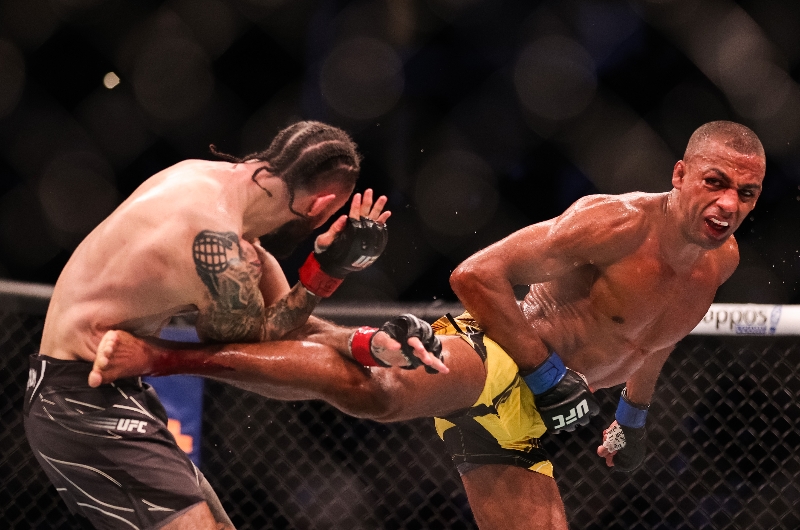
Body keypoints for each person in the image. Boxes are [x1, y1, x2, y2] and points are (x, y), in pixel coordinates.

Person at [88, 120, 766, 529]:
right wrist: (546, 371)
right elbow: (475, 275)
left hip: (527, 421)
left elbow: (656, 336)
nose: (729, 204)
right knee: (377, 393)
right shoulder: (615, 224)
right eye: (715, 182)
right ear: (681, 174)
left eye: (747, 193)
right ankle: (163, 357)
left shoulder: (722, 260)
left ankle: (330, 317)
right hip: (497, 357)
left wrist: (634, 417)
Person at [24, 121, 445, 530]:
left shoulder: (207, 181)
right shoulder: (215, 244)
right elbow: (257, 349)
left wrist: (370, 341)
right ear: (320, 207)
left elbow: (286, 323)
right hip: (78, 400)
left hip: (102, 391)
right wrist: (326, 272)